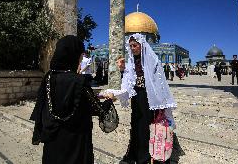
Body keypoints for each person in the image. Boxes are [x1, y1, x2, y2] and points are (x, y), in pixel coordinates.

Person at [30, 35, 113, 164]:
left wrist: (93, 95)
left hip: (53, 141)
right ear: (73, 55)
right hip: (75, 144)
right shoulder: (79, 81)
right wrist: (109, 100)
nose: (81, 59)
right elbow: (97, 109)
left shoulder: (48, 77)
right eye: (80, 55)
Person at [116, 33, 177, 164]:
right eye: (130, 46)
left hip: (149, 98)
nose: (132, 48)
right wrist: (122, 70)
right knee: (136, 125)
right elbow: (129, 80)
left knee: (146, 126)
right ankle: (136, 155)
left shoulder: (152, 60)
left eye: (135, 45)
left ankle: (147, 157)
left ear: (142, 45)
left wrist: (162, 103)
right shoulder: (131, 61)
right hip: (137, 97)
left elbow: (159, 82)